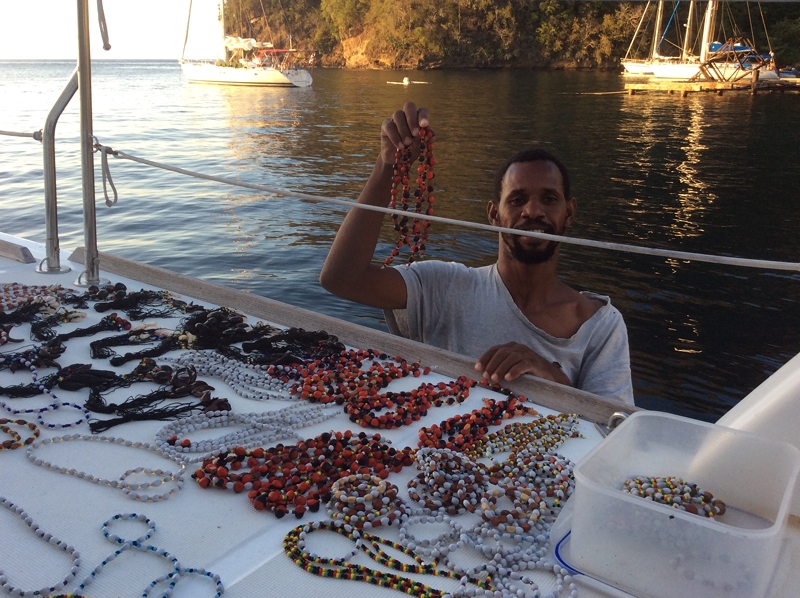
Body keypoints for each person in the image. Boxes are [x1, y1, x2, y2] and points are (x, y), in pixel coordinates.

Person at [320, 102, 634, 406]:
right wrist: (387, 165)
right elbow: (342, 279)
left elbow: (616, 429)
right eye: (517, 200)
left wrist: (549, 375)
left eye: (549, 199)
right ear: (493, 214)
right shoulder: (445, 287)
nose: (533, 211)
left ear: (570, 212)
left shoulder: (600, 325)